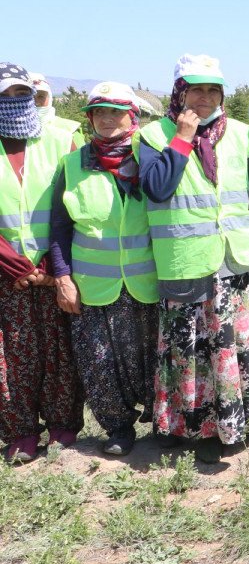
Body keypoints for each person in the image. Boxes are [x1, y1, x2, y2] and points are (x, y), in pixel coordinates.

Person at [137, 54, 249, 464]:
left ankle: (240, 423)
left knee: (237, 345)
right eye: (195, 89)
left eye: (212, 90)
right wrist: (182, 139)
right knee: (190, 352)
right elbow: (157, 188)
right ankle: (194, 427)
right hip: (185, 263)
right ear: (179, 92)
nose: (204, 98)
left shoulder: (239, 134)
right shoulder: (152, 136)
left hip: (235, 261)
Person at [49, 82, 158, 456]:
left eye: (116, 111)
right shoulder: (72, 164)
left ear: (133, 117)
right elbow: (60, 229)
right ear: (91, 119)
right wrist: (63, 277)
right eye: (99, 112)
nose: (107, 119)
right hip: (94, 286)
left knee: (152, 355)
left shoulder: (150, 160)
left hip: (147, 283)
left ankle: (161, 422)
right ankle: (118, 428)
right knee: (100, 362)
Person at [0, 63, 83, 462]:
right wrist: (13, 266)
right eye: (5, 96)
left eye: (20, 94)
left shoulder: (61, 139)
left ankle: (63, 427)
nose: (13, 102)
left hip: (53, 269)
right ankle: (20, 432)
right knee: (12, 354)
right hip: (6, 273)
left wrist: (53, 265)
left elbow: (72, 207)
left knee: (59, 351)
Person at [30, 73, 86, 148]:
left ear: (49, 98)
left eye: (41, 96)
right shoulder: (16, 132)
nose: (35, 102)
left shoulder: (70, 129)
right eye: (30, 97)